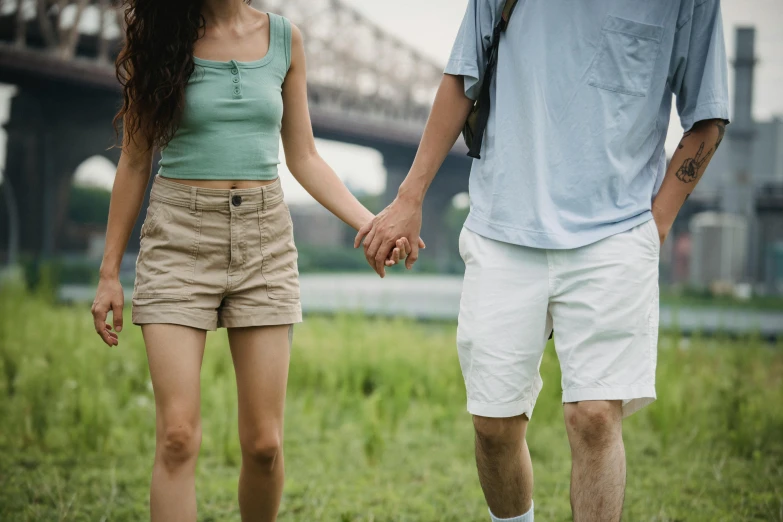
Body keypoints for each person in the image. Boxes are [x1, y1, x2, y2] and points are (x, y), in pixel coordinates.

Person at [356, 1, 729, 520]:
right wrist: (410, 197)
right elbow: (462, 76)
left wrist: (656, 226)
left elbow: (708, 115)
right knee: (493, 425)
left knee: (596, 417)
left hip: (616, 232)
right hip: (503, 226)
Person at [90, 1, 414, 520]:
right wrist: (109, 273)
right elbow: (133, 160)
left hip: (264, 241)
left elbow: (304, 156)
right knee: (176, 437)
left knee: (265, 445)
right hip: (178, 237)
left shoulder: (286, 39)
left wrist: (370, 223)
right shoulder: (162, 36)